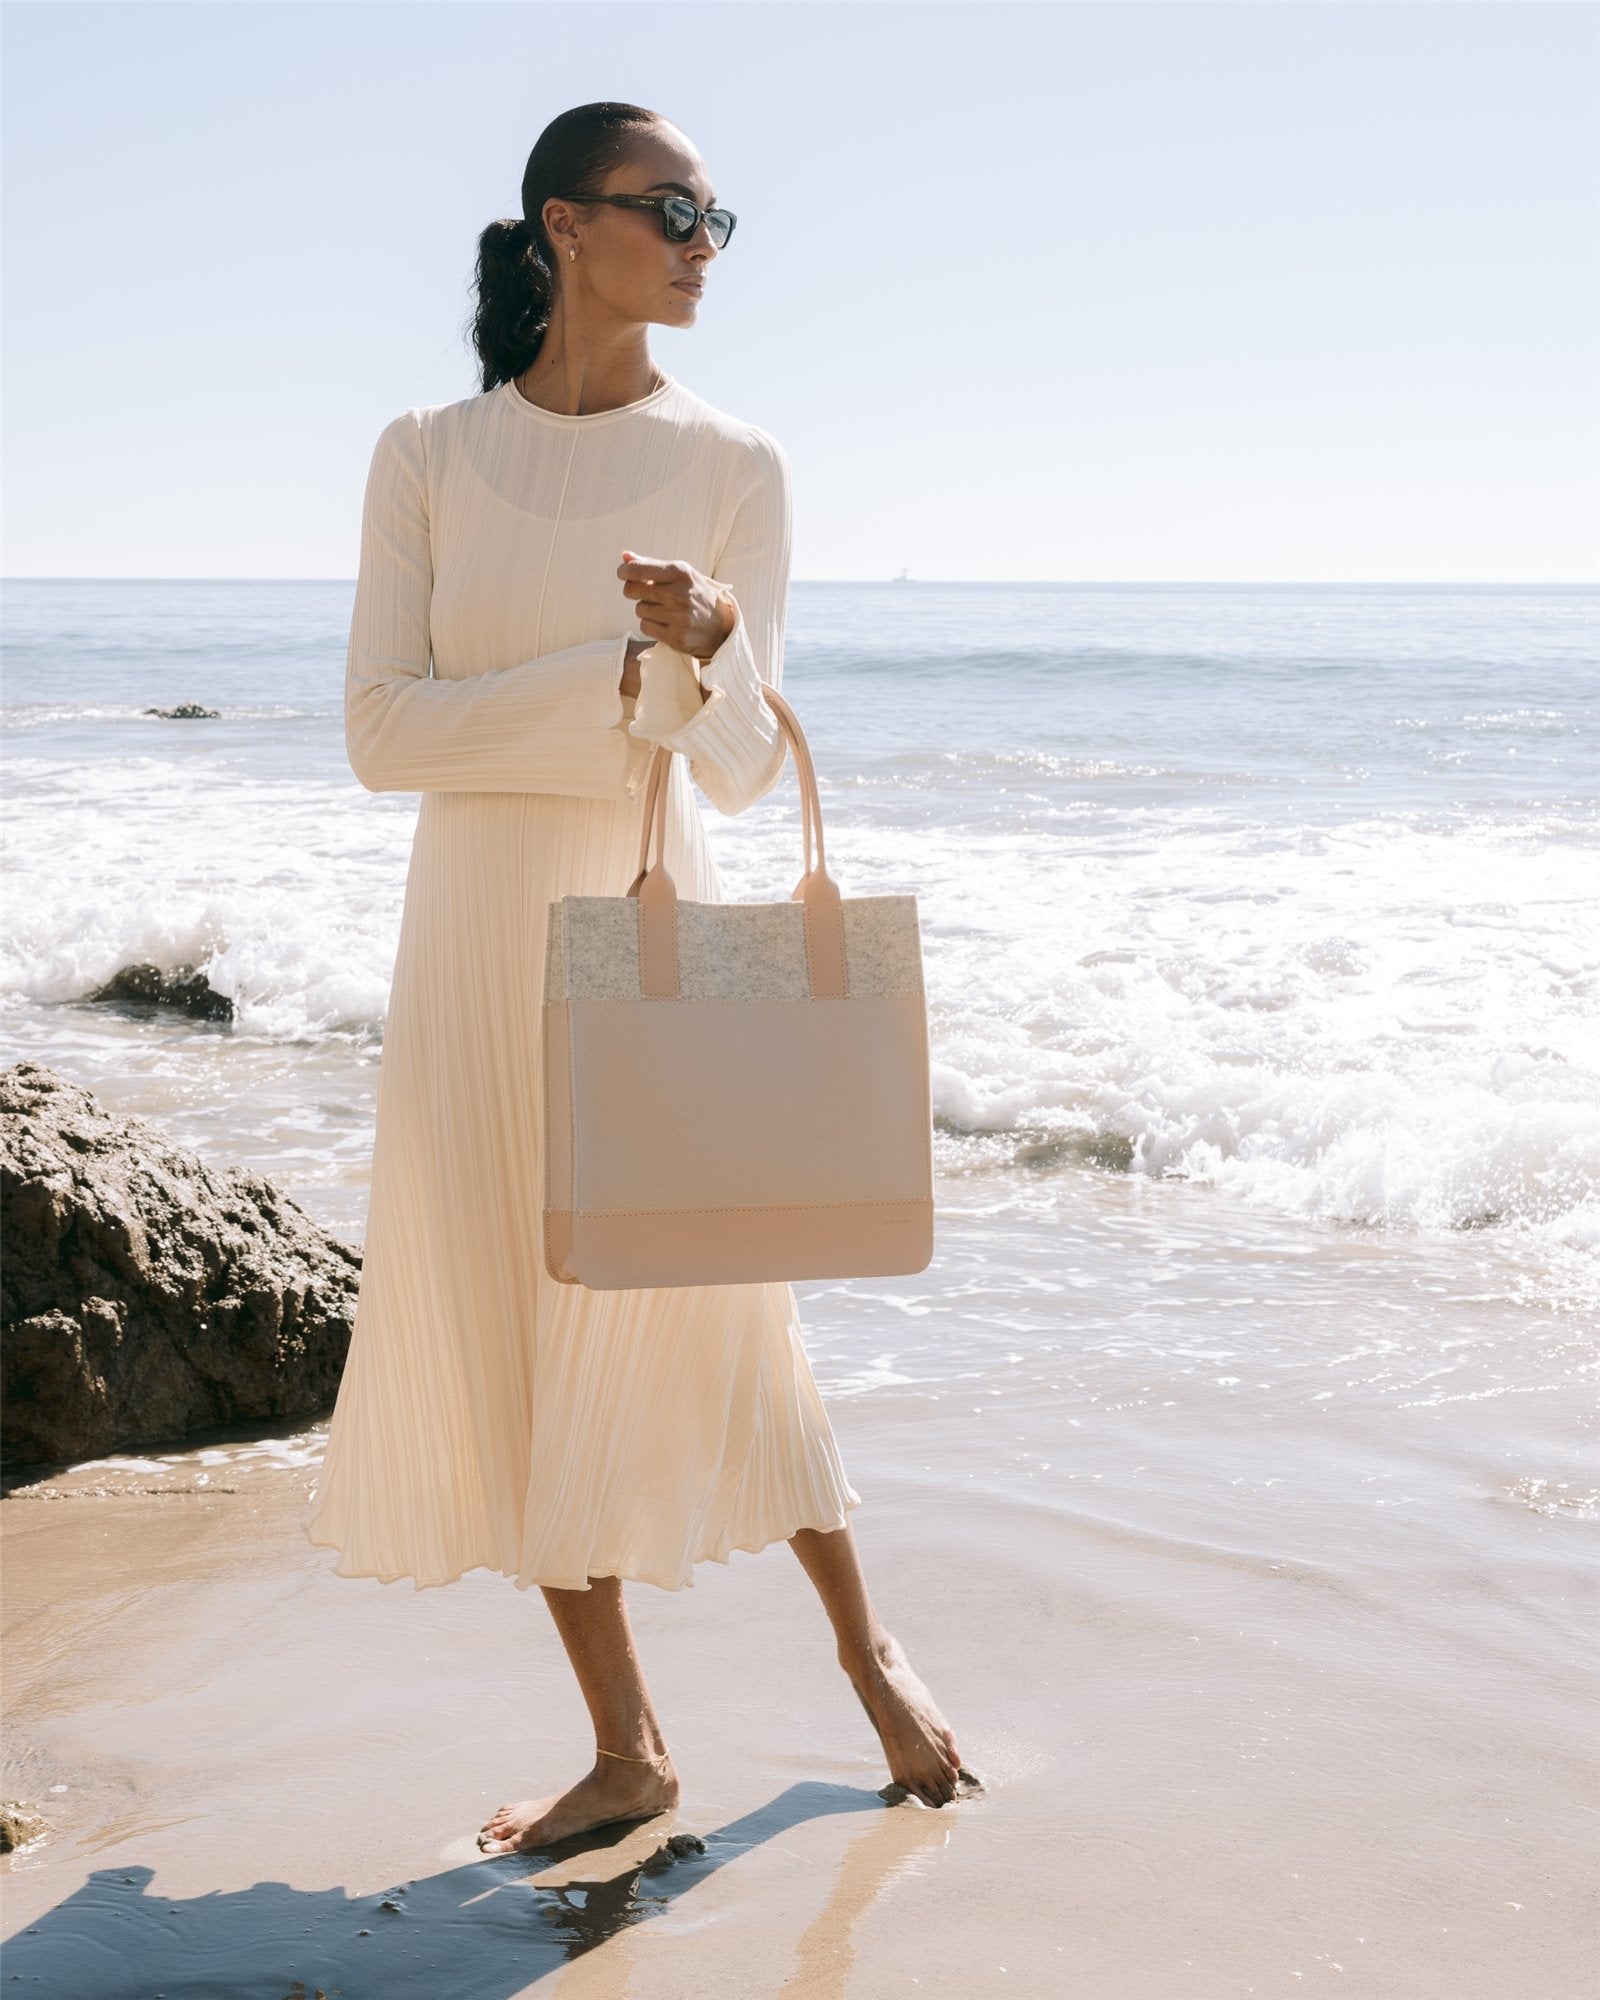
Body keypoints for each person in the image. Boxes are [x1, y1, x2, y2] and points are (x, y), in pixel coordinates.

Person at [302, 100, 967, 1853]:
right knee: (521, 1324)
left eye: (715, 215)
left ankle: (869, 1650)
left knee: (724, 1298)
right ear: (558, 228)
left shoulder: (739, 465)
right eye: (668, 208)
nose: (701, 240)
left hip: (650, 899)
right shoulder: (424, 452)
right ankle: (632, 1749)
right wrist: (615, 668)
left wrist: (719, 642)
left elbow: (741, 767)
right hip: (470, 942)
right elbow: (379, 736)